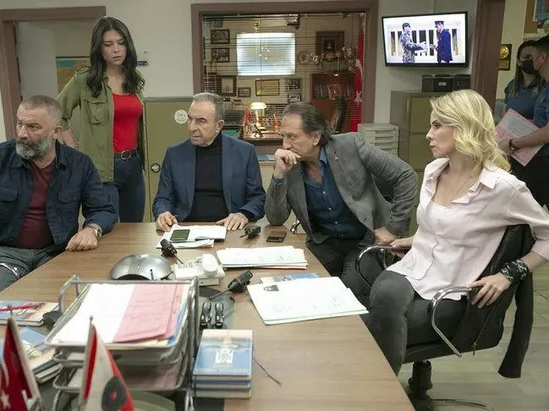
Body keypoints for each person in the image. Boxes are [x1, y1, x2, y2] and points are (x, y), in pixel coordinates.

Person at [364, 89, 549, 375]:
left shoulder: (503, 188)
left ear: (465, 127)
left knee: (371, 331)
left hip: (452, 292)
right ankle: (378, 390)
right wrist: (417, 239)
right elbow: (443, 224)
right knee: (379, 308)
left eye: (437, 125)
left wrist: (509, 274)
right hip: (410, 269)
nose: (428, 134)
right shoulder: (434, 170)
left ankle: (378, 392)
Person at [0, 96, 117, 308]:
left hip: (56, 252)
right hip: (1, 252)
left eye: (33, 127)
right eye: (20, 124)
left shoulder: (79, 165)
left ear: (55, 132)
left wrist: (91, 229)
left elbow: (103, 209)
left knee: (74, 308)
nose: (22, 133)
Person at [264, 102, 417, 302]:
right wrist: (278, 176)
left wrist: (393, 228)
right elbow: (275, 218)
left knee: (348, 293)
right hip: (325, 243)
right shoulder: (289, 165)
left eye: (292, 137)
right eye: (283, 136)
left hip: (366, 240)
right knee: (297, 288)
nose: (285, 145)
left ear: (315, 137)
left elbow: (406, 175)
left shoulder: (350, 145)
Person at [57, 16, 146, 222]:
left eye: (121, 43)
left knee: (135, 229)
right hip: (102, 168)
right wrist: (73, 147)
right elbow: (57, 113)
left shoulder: (135, 78)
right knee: (107, 227)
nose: (116, 49)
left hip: (134, 165)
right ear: (99, 48)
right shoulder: (85, 80)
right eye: (108, 44)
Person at [153, 92, 265, 232]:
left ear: (219, 125)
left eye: (201, 121)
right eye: (190, 119)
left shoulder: (244, 152)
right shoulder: (174, 154)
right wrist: (162, 213)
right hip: (185, 228)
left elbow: (258, 198)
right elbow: (163, 198)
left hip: (229, 229)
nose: (192, 127)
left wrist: (243, 214)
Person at [498, 35, 549, 207]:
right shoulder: (515, 86)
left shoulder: (543, 87)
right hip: (529, 158)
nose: (531, 62)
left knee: (527, 208)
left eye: (532, 57)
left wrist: (512, 143)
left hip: (542, 158)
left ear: (542, 58)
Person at [503, 40, 544, 120]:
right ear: (518, 61)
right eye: (527, 57)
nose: (531, 60)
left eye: (534, 57)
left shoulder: (545, 86)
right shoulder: (512, 85)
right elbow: (504, 112)